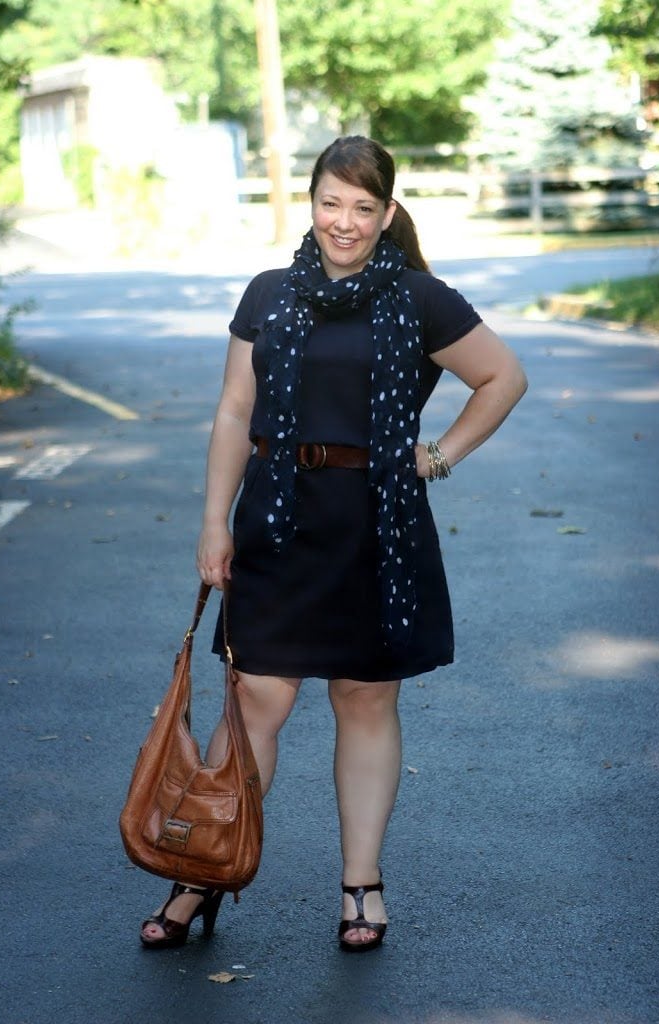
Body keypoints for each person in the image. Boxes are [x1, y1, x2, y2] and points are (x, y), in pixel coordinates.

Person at [140, 135, 527, 952]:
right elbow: (233, 414)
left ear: (387, 214)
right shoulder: (269, 294)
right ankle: (203, 871)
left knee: (363, 699)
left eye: (361, 207)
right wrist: (214, 520)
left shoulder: (421, 300)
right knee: (255, 699)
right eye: (329, 202)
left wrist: (437, 457)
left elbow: (502, 377)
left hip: (376, 526)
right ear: (308, 202)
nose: (343, 222)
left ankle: (361, 885)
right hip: (277, 519)